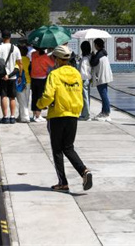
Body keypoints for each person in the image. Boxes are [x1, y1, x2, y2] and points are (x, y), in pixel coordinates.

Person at [36, 45, 93, 193]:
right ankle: (84, 171)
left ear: (56, 59)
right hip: (73, 115)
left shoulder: (54, 74)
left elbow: (48, 96)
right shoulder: (76, 73)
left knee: (57, 150)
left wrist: (39, 104)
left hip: (57, 115)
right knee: (68, 147)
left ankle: (63, 182)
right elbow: (80, 93)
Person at [0, 31, 22, 124]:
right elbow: (20, 63)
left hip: (2, 76)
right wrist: (20, 75)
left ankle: (5, 117)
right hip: (12, 76)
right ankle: (12, 117)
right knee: (12, 97)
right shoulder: (16, 48)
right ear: (10, 37)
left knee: (4, 96)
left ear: (2, 37)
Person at [90, 38, 113, 121]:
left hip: (101, 77)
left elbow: (93, 63)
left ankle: (106, 112)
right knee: (104, 94)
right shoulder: (104, 52)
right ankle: (104, 111)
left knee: (103, 95)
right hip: (105, 76)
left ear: (96, 45)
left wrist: (92, 56)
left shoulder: (99, 54)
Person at [30, 47, 53, 122]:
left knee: (34, 96)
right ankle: (38, 115)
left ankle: (34, 114)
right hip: (42, 78)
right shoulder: (45, 56)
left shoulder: (33, 54)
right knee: (40, 96)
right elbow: (52, 64)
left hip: (33, 78)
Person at [77, 41, 92, 120]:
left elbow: (83, 71)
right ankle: (85, 113)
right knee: (86, 97)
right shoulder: (89, 57)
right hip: (88, 79)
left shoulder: (85, 59)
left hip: (84, 79)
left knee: (84, 97)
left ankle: (86, 115)